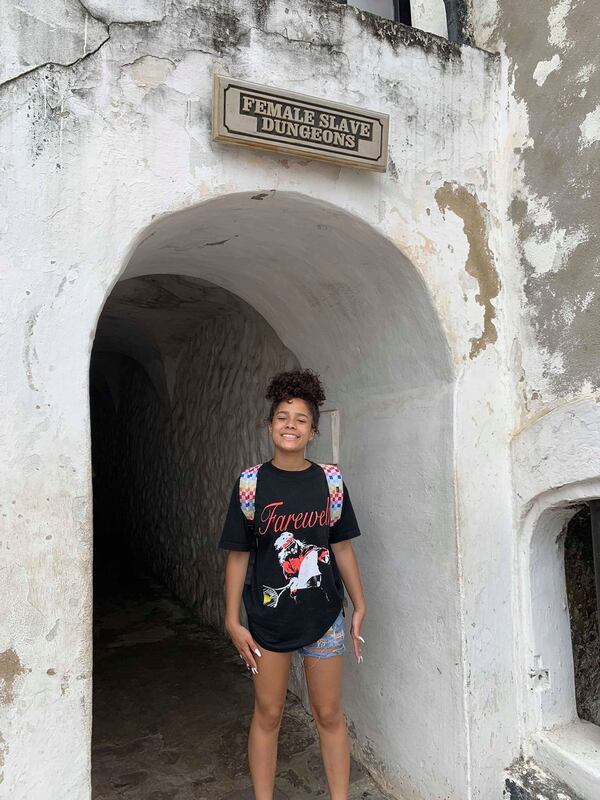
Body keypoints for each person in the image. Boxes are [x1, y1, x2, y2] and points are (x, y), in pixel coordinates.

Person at [218, 368, 367, 800]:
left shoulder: (330, 482)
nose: (290, 424)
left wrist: (359, 603)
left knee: (328, 713)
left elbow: (340, 548)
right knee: (268, 714)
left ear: (313, 430)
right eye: (282, 416)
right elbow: (239, 555)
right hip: (268, 623)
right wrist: (232, 619)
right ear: (269, 426)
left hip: (322, 618)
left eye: (301, 418)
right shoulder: (251, 485)